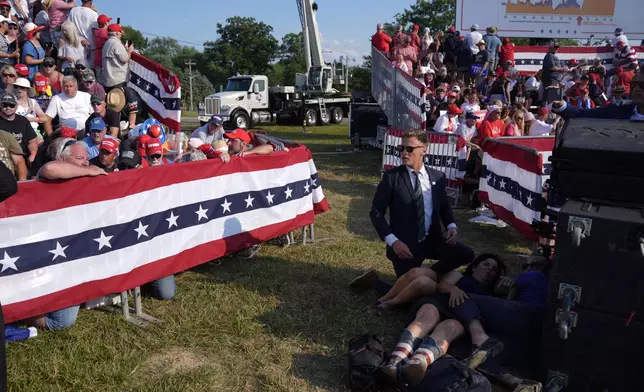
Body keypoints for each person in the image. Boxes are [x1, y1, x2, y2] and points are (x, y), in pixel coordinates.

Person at [379, 254, 506, 385]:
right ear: (474, 267)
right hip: (441, 302)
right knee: (428, 314)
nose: (490, 269)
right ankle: (394, 363)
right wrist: (453, 289)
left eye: (494, 269)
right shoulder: (460, 276)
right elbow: (442, 285)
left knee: (450, 327)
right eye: (486, 264)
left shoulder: (490, 294)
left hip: (460, 318)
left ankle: (417, 363)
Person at [367, 130, 474, 281]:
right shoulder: (392, 178)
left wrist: (451, 225)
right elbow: (376, 212)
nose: (404, 152)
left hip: (433, 240)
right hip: (405, 246)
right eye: (401, 148)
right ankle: (375, 282)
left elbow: (443, 205)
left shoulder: (437, 177)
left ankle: (428, 275)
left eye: (409, 149)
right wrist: (394, 242)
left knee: (466, 254)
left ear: (424, 150)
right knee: (409, 294)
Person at [0, 92, 38, 164]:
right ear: (0, 105)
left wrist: (33, 154)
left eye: (11, 105)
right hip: (3, 159)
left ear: (17, 106)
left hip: (22, 158)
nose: (8, 108)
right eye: (4, 105)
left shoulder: (23, 121)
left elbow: (32, 141)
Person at [102, 23, 133, 90]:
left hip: (108, 80)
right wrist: (129, 51)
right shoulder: (116, 44)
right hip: (118, 81)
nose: (121, 34)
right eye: (120, 32)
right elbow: (125, 59)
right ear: (116, 33)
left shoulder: (106, 43)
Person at [92, 14, 110, 80]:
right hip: (102, 57)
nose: (109, 23)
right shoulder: (105, 32)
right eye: (108, 21)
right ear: (105, 23)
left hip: (97, 56)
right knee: (103, 80)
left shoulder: (96, 31)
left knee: (98, 77)